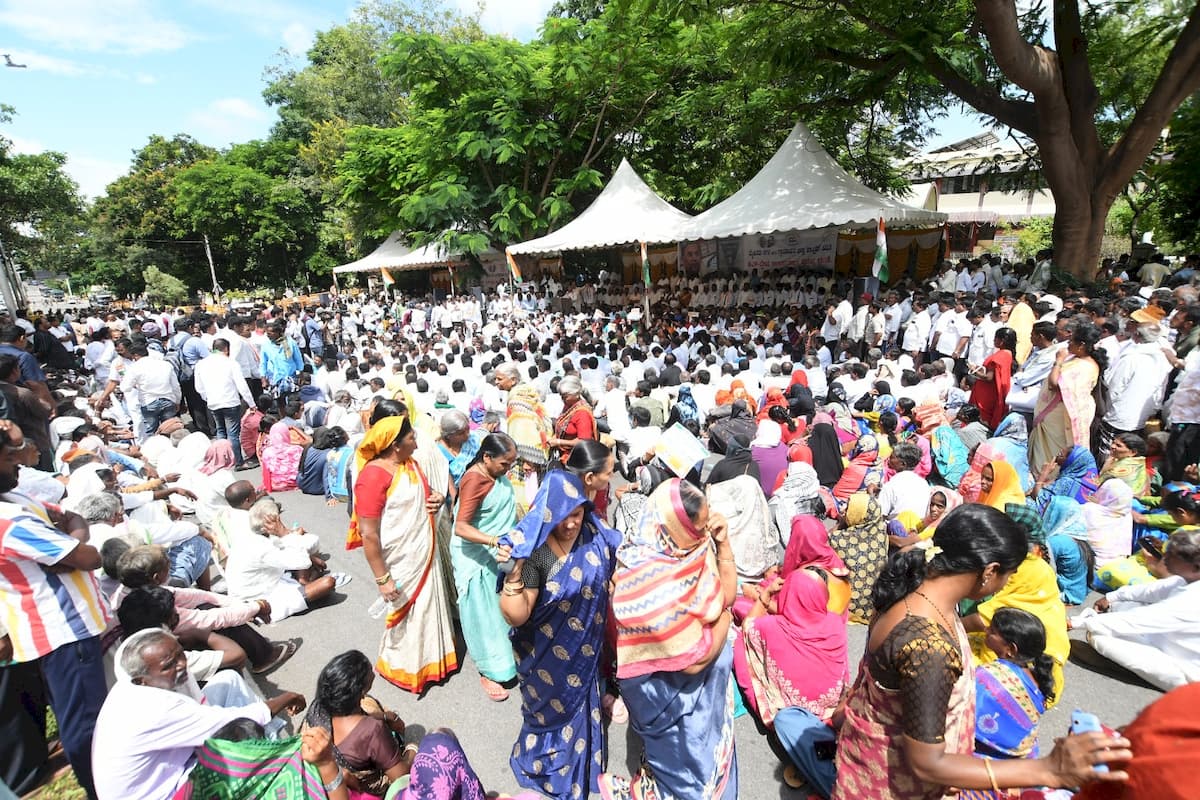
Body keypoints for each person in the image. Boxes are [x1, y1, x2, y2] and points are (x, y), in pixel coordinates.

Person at [831, 503, 1131, 800]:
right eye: (1008, 576)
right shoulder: (928, 646)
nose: (1006, 585)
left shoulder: (911, 590)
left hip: (865, 762)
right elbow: (927, 763)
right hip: (891, 786)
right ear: (990, 571)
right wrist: (1048, 770)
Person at [603, 479, 738, 800]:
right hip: (663, 692)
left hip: (697, 692)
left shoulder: (687, 547)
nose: (706, 533)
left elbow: (727, 597)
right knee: (684, 764)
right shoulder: (644, 574)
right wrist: (726, 621)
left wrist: (724, 545)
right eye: (701, 527)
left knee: (698, 751)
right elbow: (696, 660)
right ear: (675, 526)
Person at [0, 421, 108, 799]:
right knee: (84, 726)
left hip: (75, 625)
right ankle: (103, 789)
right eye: (9, 456)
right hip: (62, 631)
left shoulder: (17, 501)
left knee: (85, 716)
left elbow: (70, 516)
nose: (19, 462)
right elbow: (88, 556)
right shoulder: (7, 522)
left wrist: (68, 543)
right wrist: (73, 547)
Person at [497, 470, 620, 800]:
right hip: (547, 661)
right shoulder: (541, 555)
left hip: (586, 654)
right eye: (563, 518)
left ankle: (582, 767)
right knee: (552, 715)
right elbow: (517, 612)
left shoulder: (592, 534)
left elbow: (620, 561)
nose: (570, 525)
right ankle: (549, 771)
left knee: (582, 711)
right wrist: (515, 577)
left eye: (577, 515)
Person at [91, 628, 311, 800]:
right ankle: (284, 765)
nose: (182, 665)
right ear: (141, 679)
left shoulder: (131, 687)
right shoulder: (154, 708)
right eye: (170, 665)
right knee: (242, 735)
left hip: (169, 766)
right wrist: (287, 697)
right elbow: (231, 723)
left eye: (180, 654)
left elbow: (203, 710)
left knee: (228, 680)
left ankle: (276, 742)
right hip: (166, 792)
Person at [349, 414, 457, 693]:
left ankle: (433, 661)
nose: (416, 441)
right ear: (395, 445)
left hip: (423, 552)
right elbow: (369, 533)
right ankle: (405, 666)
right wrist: (382, 578)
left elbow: (426, 493)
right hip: (400, 559)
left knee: (428, 605)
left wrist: (437, 497)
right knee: (407, 610)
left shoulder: (411, 464)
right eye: (411, 438)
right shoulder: (373, 475)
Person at [963, 503, 1069, 707]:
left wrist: (944, 625)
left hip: (1029, 658)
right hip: (1026, 648)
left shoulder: (1027, 566)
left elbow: (981, 620)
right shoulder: (1032, 563)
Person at [1072, 528, 1200, 691]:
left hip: (1185, 671)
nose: (1164, 558)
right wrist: (1112, 597)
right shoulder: (1186, 579)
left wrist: (1075, 622)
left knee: (1099, 638)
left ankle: (1129, 671)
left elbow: (1139, 620)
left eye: (1172, 556)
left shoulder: (1193, 600)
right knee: (1118, 606)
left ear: (1195, 567)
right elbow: (1151, 591)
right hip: (1161, 638)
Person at [452, 432, 519, 702]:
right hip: (475, 554)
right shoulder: (475, 479)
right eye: (504, 464)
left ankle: (507, 658)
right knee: (481, 615)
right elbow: (461, 527)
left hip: (498, 552)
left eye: (512, 463)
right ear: (487, 457)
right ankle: (488, 670)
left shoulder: (496, 476)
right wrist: (494, 540)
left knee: (500, 610)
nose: (508, 469)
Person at [303, 649, 413, 797]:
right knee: (416, 748)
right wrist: (412, 752)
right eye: (369, 670)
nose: (372, 670)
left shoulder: (318, 706)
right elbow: (400, 778)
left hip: (335, 776)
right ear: (360, 690)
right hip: (367, 788)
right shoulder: (372, 730)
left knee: (369, 705)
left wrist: (384, 717)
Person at [972, 608, 1056, 763]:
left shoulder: (988, 677)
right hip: (1022, 757)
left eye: (992, 631)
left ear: (1010, 649)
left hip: (989, 759)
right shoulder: (1034, 676)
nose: (986, 630)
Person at [1029, 324, 1105, 476]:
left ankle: (1045, 479)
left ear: (1082, 345)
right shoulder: (1077, 359)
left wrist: (1059, 360)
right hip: (1054, 415)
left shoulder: (1085, 366)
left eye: (1071, 341)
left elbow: (1054, 384)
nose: (1068, 344)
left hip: (1062, 419)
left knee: (1053, 453)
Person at [827, 492, 889, 624]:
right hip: (873, 608)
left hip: (847, 606)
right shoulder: (881, 535)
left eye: (849, 508)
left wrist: (841, 523)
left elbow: (823, 541)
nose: (844, 510)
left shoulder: (839, 539)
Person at [192, 338, 254, 466]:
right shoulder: (231, 363)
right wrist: (251, 403)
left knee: (220, 431)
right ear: (226, 349)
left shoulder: (201, 364)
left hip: (213, 403)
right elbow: (242, 385)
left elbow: (199, 387)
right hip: (230, 401)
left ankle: (223, 461)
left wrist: (207, 398)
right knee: (233, 433)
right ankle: (238, 462)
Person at [967, 327, 1017, 431]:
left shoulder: (1001, 355)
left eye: (995, 338)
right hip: (992, 393)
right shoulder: (1008, 354)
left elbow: (989, 377)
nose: (994, 341)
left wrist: (974, 370)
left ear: (1002, 341)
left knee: (981, 420)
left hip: (987, 395)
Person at [261, 400, 310, 491]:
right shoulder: (297, 449)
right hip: (296, 482)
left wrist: (268, 487)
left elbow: (266, 473)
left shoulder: (267, 452)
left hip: (276, 485)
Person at [548, 374, 597, 465]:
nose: (562, 399)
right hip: (565, 456)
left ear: (576, 394)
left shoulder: (582, 413)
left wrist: (559, 442)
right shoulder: (569, 405)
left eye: (565, 396)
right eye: (561, 396)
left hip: (576, 459)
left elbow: (584, 441)